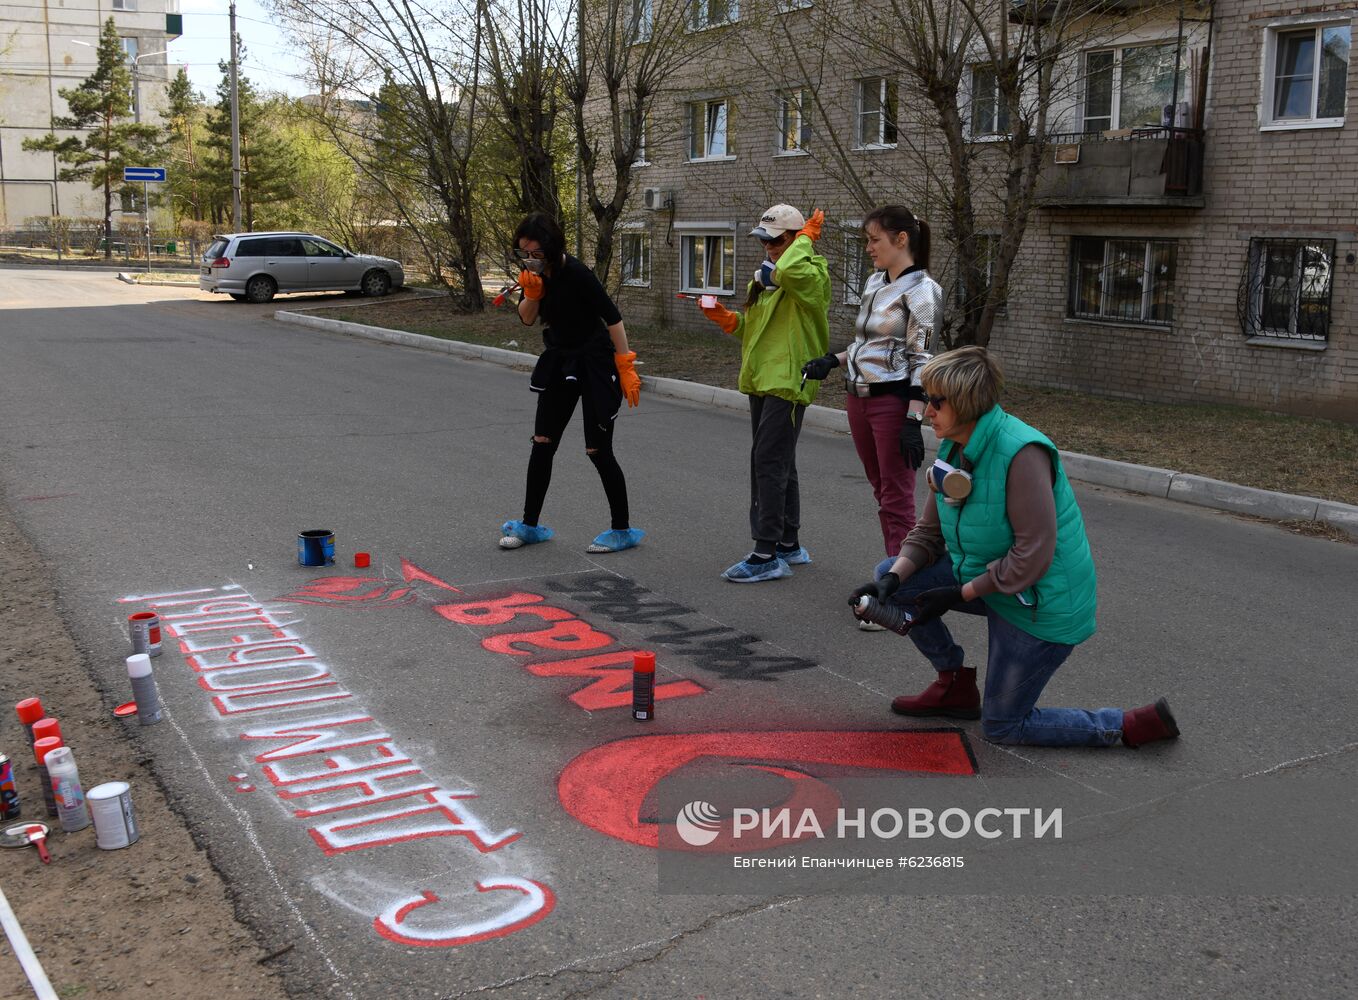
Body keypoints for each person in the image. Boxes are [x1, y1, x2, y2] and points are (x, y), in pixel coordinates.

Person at [850, 346, 1179, 748]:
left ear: (967, 402)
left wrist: (958, 593)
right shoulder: (955, 443)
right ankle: (953, 684)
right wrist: (892, 582)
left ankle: (1123, 725)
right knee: (891, 573)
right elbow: (927, 533)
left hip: (1039, 603)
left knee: (1003, 726)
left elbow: (1032, 557)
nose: (927, 410)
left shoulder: (1022, 454)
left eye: (937, 401)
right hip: (993, 583)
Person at [802, 206, 941, 629]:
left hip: (893, 403)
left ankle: (897, 596)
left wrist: (913, 419)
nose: (868, 249)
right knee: (882, 492)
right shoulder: (875, 282)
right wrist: (834, 359)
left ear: (901, 240)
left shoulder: (924, 290)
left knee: (897, 498)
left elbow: (922, 357)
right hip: (858, 399)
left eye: (873, 240)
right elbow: (867, 343)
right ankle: (902, 575)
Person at [697, 204, 831, 582]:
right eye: (765, 241)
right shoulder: (767, 279)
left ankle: (765, 552)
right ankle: (788, 544)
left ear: (794, 238)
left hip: (790, 380)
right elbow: (754, 329)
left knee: (768, 462)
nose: (770, 248)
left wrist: (804, 238)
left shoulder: (811, 273)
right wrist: (726, 319)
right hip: (764, 378)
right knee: (778, 461)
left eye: (777, 240)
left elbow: (792, 271)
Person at [499, 212, 646, 554]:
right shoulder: (534, 274)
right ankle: (530, 526)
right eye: (524, 253)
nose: (530, 260)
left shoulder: (577, 273)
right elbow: (527, 318)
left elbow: (613, 317)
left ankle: (621, 530)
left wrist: (625, 364)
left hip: (594, 360)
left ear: (552, 248)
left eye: (536, 253)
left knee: (598, 450)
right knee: (542, 442)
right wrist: (532, 293)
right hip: (560, 359)